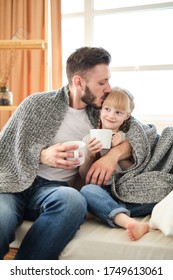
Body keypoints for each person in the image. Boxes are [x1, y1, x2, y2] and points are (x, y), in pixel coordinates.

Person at [0, 47, 132, 260]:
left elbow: (142, 134)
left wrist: (112, 155)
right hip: (12, 185)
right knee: (2, 217)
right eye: (101, 83)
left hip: (52, 190)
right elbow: (3, 148)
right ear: (79, 82)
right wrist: (41, 155)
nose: (108, 88)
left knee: (73, 201)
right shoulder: (37, 103)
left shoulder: (104, 110)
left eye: (108, 80)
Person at [80, 87, 155, 241]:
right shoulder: (89, 139)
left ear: (127, 116)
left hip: (127, 191)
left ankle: (101, 211)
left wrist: (118, 153)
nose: (111, 116)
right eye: (107, 109)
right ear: (100, 110)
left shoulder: (127, 138)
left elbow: (133, 170)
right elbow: (83, 175)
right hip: (104, 191)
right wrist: (90, 155)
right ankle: (128, 222)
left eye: (118, 112)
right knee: (87, 191)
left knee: (157, 195)